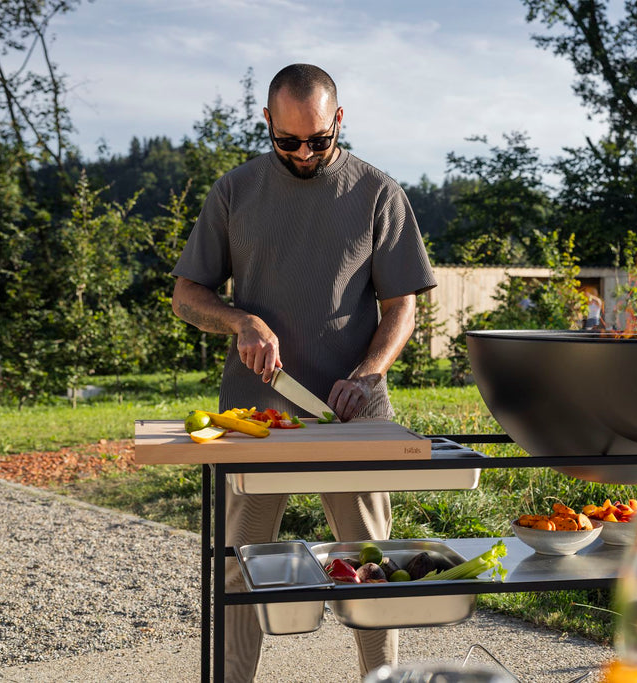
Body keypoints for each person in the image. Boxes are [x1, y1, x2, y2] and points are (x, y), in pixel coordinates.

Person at [170, 63, 436, 681]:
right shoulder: (233, 191)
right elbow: (187, 294)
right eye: (287, 141)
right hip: (257, 417)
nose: (305, 153)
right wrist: (239, 321)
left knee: (372, 565)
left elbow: (403, 308)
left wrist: (368, 373)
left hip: (353, 416)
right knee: (239, 565)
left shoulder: (378, 192)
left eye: (319, 140)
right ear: (267, 123)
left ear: (339, 120)